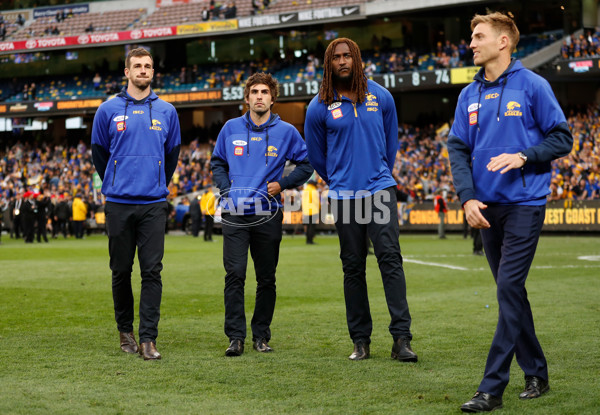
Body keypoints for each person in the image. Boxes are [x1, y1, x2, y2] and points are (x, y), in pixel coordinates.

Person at [447, 12, 573, 412]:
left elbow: (562, 137)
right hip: (484, 207)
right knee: (511, 292)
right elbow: (457, 148)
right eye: (472, 36)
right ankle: (536, 370)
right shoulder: (468, 94)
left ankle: (491, 388)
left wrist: (524, 156)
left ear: (503, 42)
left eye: (478, 36)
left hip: (524, 204)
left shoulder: (533, 85)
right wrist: (467, 197)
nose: (471, 43)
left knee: (506, 289)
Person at [304, 38, 417, 362]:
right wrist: (340, 179)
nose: (342, 61)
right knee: (353, 267)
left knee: (390, 260)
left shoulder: (380, 96)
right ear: (329, 64)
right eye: (336, 57)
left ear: (356, 59)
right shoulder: (318, 106)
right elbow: (316, 156)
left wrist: (379, 174)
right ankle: (360, 340)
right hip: (344, 195)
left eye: (347, 56)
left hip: (380, 190)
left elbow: (391, 142)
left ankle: (401, 339)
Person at [210, 72, 312, 356]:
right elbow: (217, 162)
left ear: (272, 98)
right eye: (254, 92)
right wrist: (226, 189)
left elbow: (306, 165)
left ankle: (261, 336)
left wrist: (283, 183)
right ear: (246, 98)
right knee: (235, 275)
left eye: (264, 92)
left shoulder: (287, 132)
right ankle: (236, 337)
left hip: (269, 214)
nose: (259, 96)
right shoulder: (230, 129)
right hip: (235, 214)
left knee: (266, 278)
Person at [91, 47, 181, 360]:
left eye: (148, 66)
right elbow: (100, 154)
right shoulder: (107, 110)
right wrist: (117, 181)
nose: (143, 70)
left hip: (154, 203)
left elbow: (171, 156)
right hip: (118, 203)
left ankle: (148, 339)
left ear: (153, 72)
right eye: (137, 66)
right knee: (120, 271)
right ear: (127, 72)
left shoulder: (168, 111)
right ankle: (124, 331)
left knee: (152, 272)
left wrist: (155, 182)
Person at [301, 178, 320, 244]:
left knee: (308, 226)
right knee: (312, 226)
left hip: (306, 210)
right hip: (313, 210)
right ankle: (310, 240)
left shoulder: (304, 190)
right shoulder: (314, 190)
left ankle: (307, 240)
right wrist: (319, 208)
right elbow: (316, 201)